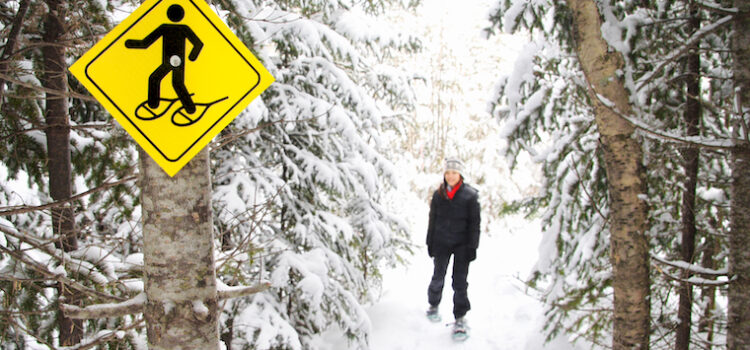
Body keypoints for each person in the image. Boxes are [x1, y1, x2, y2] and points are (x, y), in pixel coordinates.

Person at [425, 158, 480, 338]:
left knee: (459, 282)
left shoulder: (470, 196)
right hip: (441, 242)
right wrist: (430, 242)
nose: (450, 176)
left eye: (454, 173)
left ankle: (460, 318)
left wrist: (473, 246)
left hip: (462, 245)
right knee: (438, 276)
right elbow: (432, 219)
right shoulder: (438, 194)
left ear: (460, 175)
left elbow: (475, 224)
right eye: (448, 173)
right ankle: (433, 304)